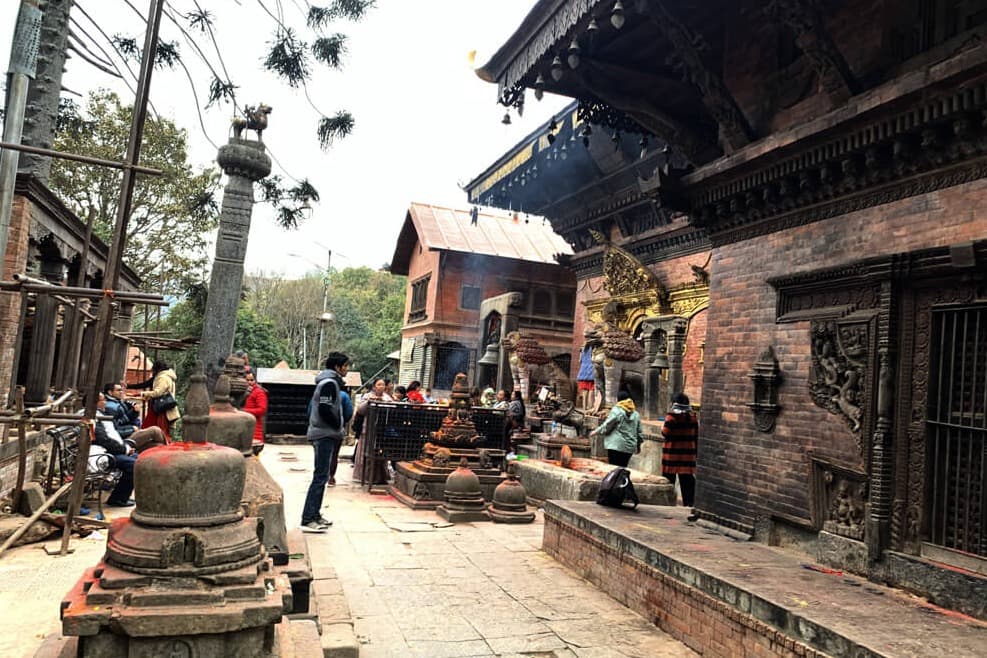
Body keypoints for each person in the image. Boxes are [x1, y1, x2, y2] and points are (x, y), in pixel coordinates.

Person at [300, 352, 353, 533]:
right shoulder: (329, 383)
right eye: (345, 366)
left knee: (321, 476)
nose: (347, 369)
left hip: (324, 433)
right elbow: (324, 409)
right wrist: (337, 426)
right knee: (320, 476)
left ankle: (315, 514)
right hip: (324, 435)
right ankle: (308, 519)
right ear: (337, 367)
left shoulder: (330, 383)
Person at [93, 392, 139, 507]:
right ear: (94, 403)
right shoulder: (93, 417)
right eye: (102, 400)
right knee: (133, 464)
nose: (105, 402)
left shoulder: (102, 414)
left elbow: (113, 434)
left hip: (112, 449)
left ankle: (123, 496)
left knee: (139, 458)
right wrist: (124, 449)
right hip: (101, 454)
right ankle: (118, 499)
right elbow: (103, 440)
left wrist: (125, 447)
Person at [102, 383, 167, 452]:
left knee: (157, 445)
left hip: (129, 433)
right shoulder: (111, 407)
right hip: (122, 439)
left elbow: (125, 419)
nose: (121, 392)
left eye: (122, 390)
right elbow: (115, 430)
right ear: (110, 392)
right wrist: (132, 429)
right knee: (155, 430)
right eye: (118, 390)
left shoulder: (118, 402)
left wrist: (134, 411)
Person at [661, 392, 699, 512]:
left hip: (672, 454)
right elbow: (696, 436)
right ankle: (689, 504)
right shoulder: (693, 418)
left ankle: (667, 504)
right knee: (687, 481)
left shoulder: (671, 417)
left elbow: (665, 433)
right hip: (687, 455)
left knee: (668, 481)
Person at [352, 378, 392, 481]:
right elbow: (360, 410)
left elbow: (391, 409)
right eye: (379, 384)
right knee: (364, 453)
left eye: (383, 385)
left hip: (381, 431)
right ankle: (363, 476)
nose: (381, 387)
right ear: (374, 386)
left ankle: (379, 477)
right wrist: (370, 402)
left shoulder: (387, 398)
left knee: (379, 454)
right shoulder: (367, 396)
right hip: (367, 429)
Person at [590, 390, 642, 467]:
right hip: (630, 447)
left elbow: (607, 425)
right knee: (623, 468)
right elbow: (639, 432)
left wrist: (596, 431)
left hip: (615, 446)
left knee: (614, 468)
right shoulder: (636, 414)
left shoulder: (616, 411)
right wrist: (638, 445)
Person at [137, 360, 181, 441]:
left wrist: (144, 393)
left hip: (160, 408)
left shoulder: (163, 378)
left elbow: (158, 392)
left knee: (156, 428)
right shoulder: (165, 376)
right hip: (160, 407)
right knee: (159, 428)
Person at [242, 371, 269, 454]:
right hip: (245, 427)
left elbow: (262, 409)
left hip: (255, 429)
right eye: (247, 380)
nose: (249, 382)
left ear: (255, 381)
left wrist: (244, 411)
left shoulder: (259, 392)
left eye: (251, 380)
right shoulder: (243, 392)